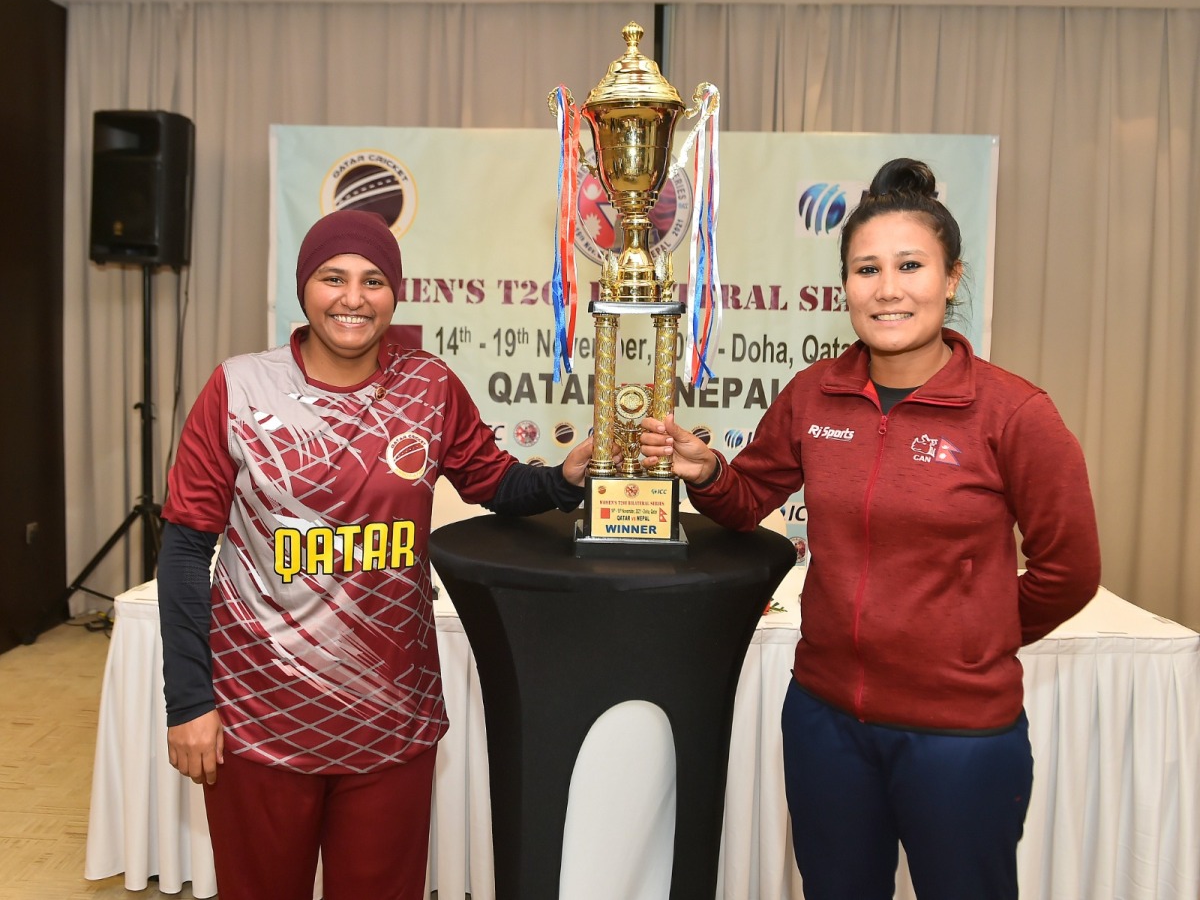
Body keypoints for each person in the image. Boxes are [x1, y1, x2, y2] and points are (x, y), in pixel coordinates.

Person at [639, 158, 1101, 900]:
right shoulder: (813, 395)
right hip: (825, 721)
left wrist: (971, 637)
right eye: (866, 269)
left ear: (951, 279)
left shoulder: (1014, 414)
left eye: (910, 266)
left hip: (959, 736)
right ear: (845, 286)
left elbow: (1069, 570)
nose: (887, 289)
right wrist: (704, 472)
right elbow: (748, 497)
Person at [157, 209, 591, 900]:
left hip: (391, 721)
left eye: (374, 280)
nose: (353, 298)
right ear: (305, 288)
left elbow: (494, 482)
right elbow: (185, 551)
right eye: (334, 278)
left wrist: (561, 482)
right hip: (258, 716)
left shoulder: (430, 386)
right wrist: (188, 703)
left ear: (396, 294)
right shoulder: (238, 388)